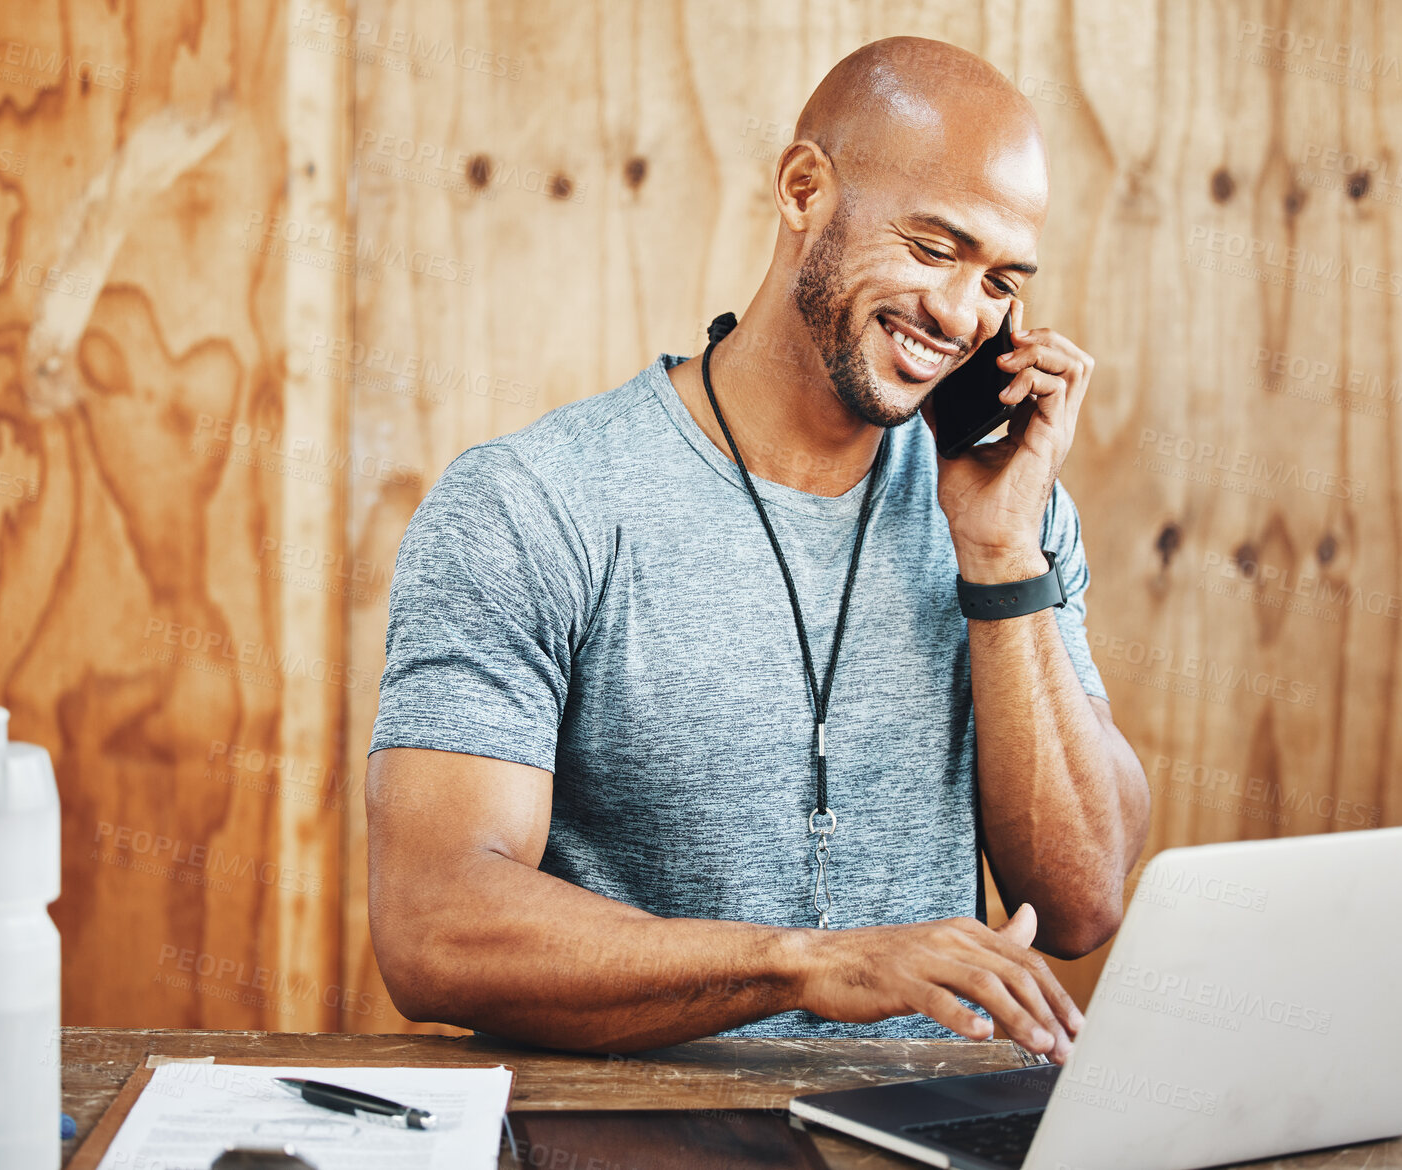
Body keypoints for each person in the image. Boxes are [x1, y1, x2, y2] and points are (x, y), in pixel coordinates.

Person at [365, 35, 1149, 1060]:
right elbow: (434, 927)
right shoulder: (531, 505)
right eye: (931, 248)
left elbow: (1082, 903)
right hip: (633, 1135)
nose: (962, 315)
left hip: (929, 1130)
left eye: (1002, 279)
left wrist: (1002, 562)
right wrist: (811, 967)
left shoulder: (1012, 517)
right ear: (802, 189)